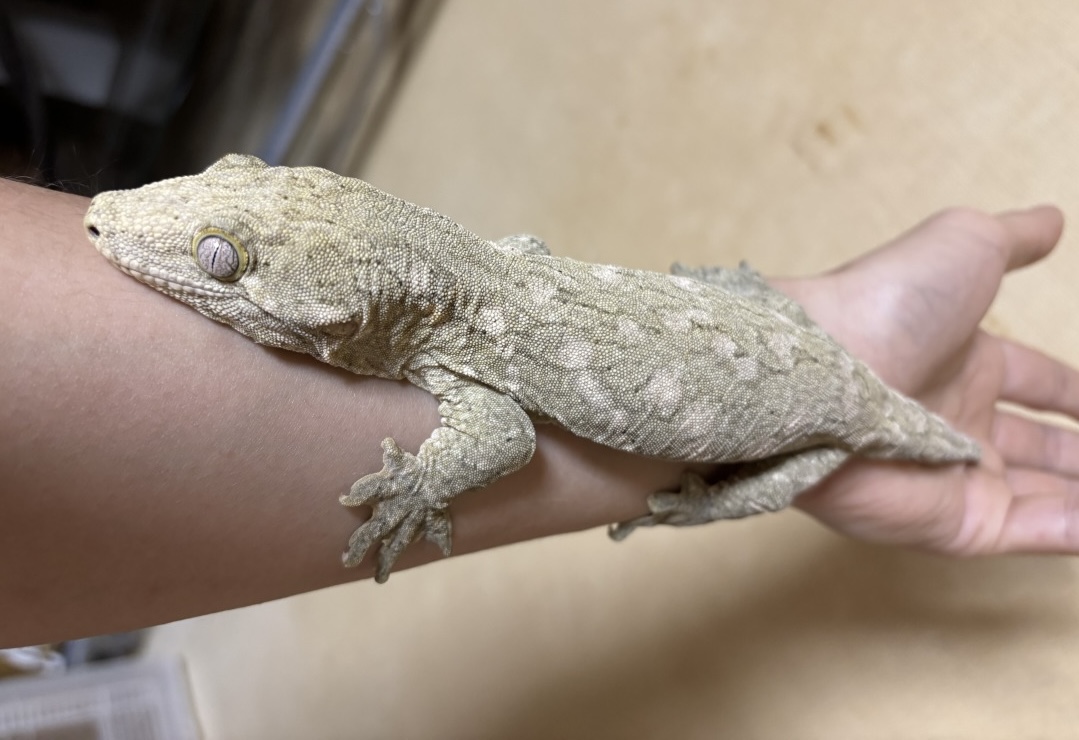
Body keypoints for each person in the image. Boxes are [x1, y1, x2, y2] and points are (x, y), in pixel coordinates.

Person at [2, 178, 1076, 647]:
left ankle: (742, 484)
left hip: (815, 415)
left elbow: (506, 436)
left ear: (354, 315)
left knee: (816, 447)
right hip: (789, 343)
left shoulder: (466, 346)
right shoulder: (484, 269)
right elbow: (516, 317)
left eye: (218, 258)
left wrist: (423, 482)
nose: (110, 219)